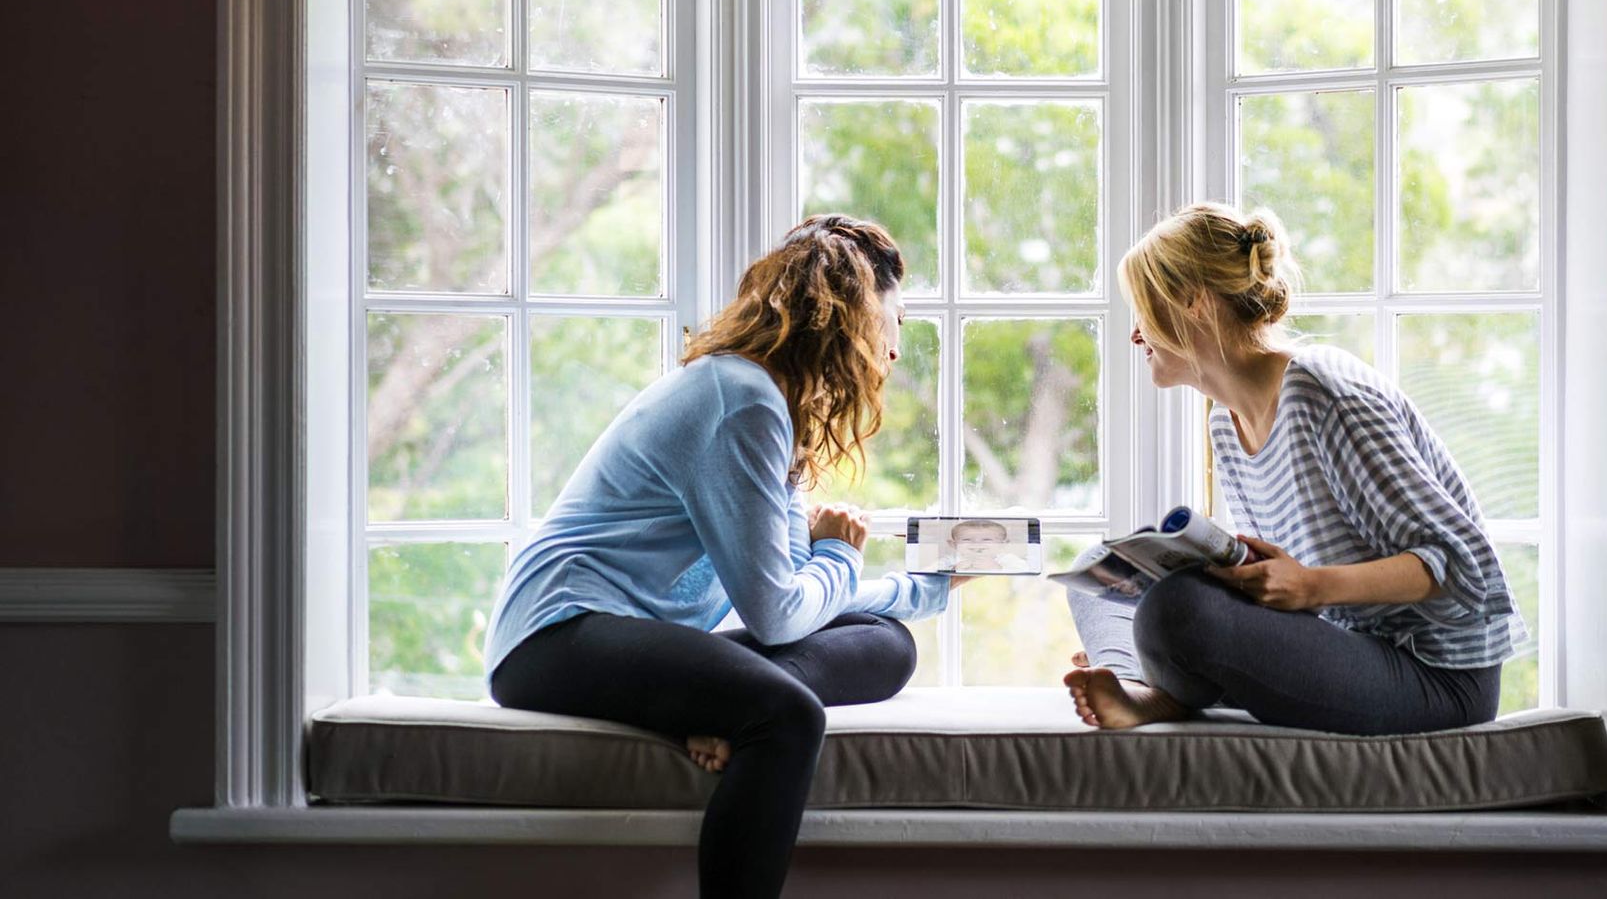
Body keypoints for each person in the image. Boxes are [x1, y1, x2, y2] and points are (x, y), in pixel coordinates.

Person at [485, 214, 955, 898]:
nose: (897, 348)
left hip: (629, 637)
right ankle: (732, 709)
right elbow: (779, 615)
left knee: (888, 644)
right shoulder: (742, 401)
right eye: (898, 319)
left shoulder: (771, 405)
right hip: (555, 634)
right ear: (853, 315)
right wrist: (838, 556)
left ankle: (716, 706)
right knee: (789, 716)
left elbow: (797, 597)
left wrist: (926, 589)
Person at [1063, 202, 1528, 737]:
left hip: (1436, 676)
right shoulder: (1225, 422)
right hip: (1339, 640)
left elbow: (1462, 565)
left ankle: (1157, 684)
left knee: (1177, 609)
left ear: (1192, 302)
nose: (1135, 336)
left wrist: (1311, 586)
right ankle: (1136, 683)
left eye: (1142, 310)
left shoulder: (1324, 393)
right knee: (1096, 572)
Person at [934, 519, 1030, 573]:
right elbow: (929, 573)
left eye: (987, 539)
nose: (977, 544)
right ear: (953, 544)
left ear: (1002, 544)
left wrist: (998, 568)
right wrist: (953, 570)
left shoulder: (1006, 559)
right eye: (967, 540)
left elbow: (1025, 571)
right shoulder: (951, 560)